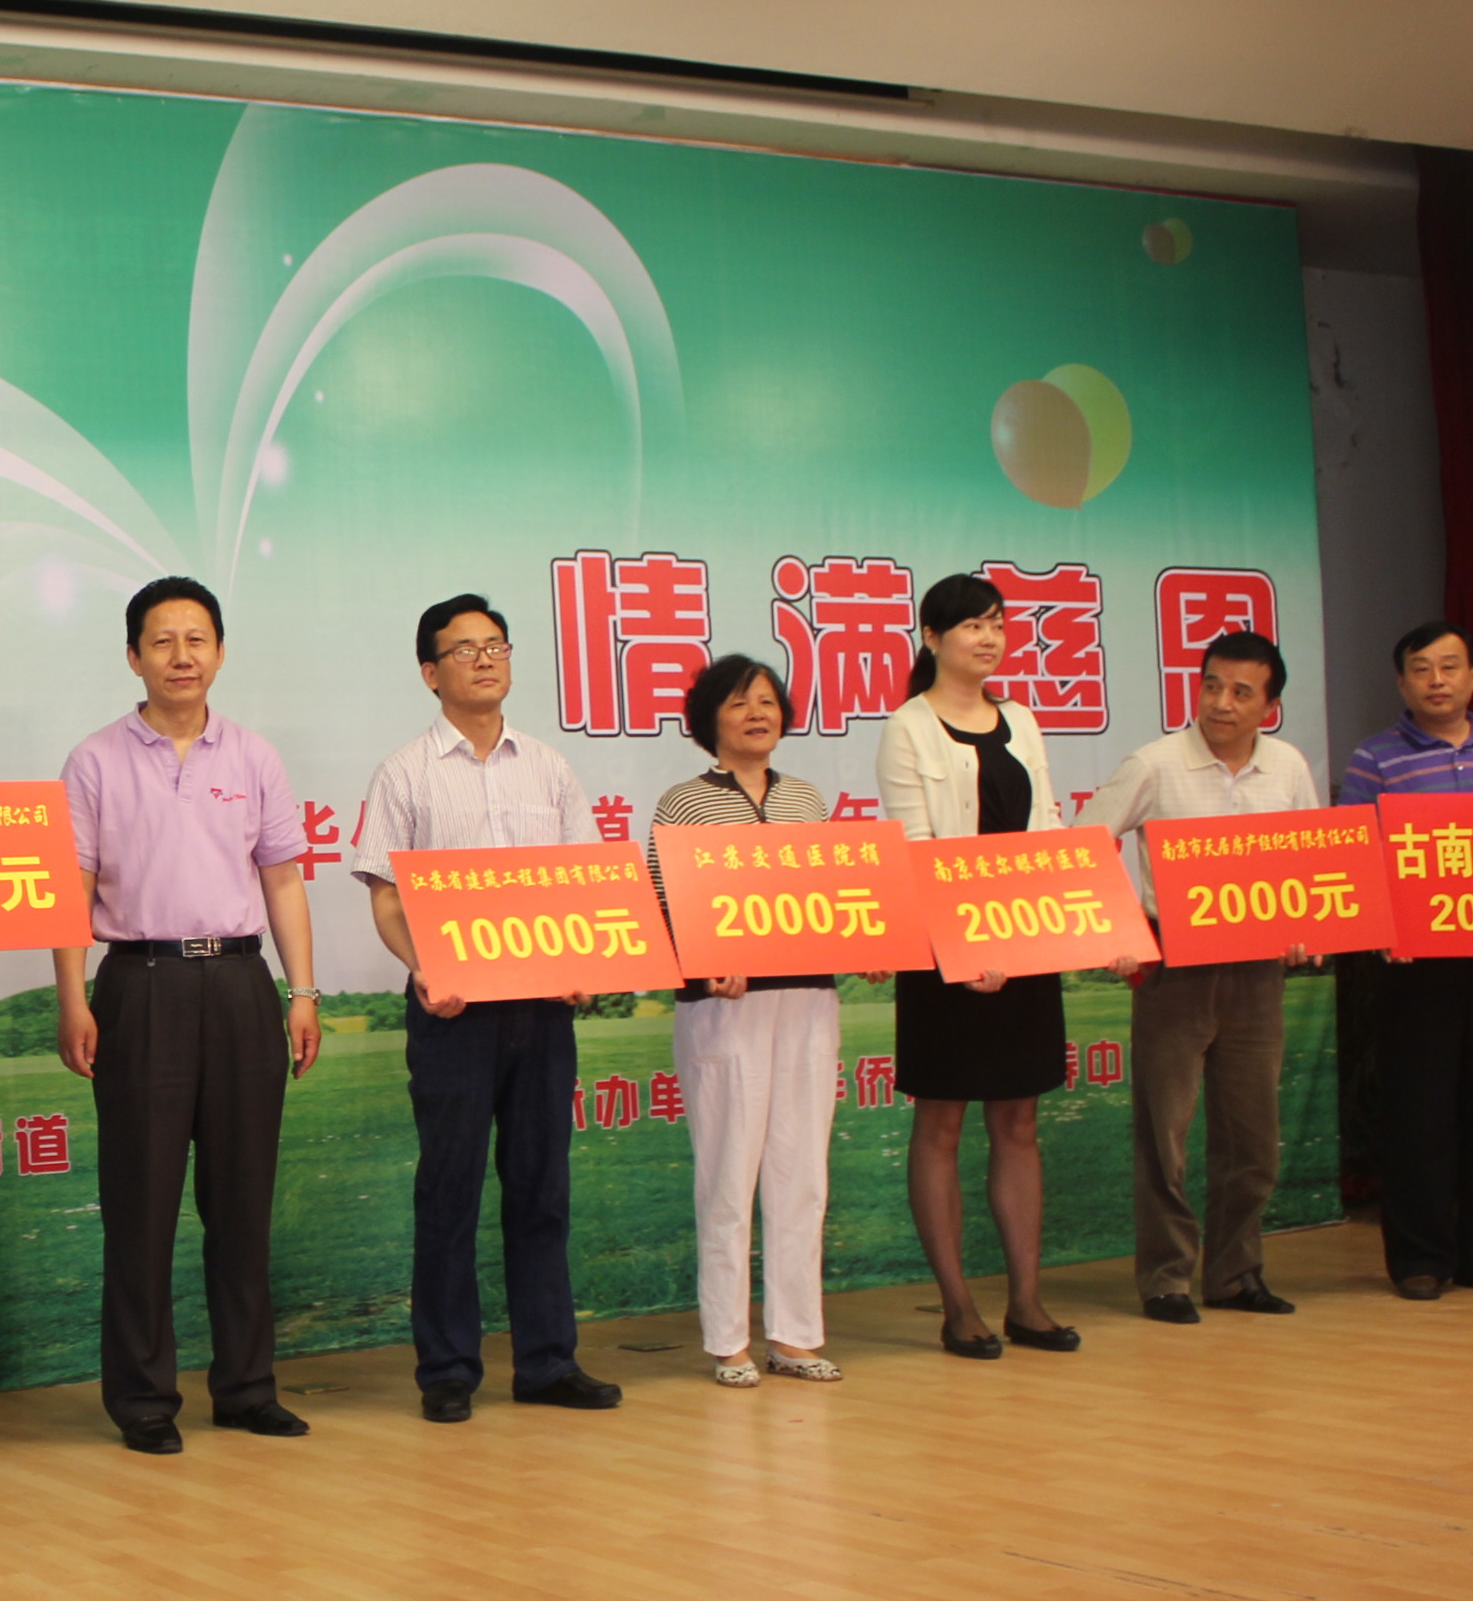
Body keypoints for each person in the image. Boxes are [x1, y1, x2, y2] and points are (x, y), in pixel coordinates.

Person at [54, 578, 324, 1455]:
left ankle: (246, 1388)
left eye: (197, 639)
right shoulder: (95, 760)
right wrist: (73, 997)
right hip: (140, 984)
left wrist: (302, 992)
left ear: (220, 652)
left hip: (241, 983)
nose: (181, 656)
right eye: (163, 641)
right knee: (141, 1205)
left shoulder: (253, 756)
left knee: (243, 1203)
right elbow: (72, 888)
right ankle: (142, 1400)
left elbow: (283, 878)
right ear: (134, 656)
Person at [351, 594, 625, 1422]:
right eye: (463, 649)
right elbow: (387, 898)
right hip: (454, 1011)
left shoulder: (548, 767)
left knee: (542, 1188)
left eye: (495, 645)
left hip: (541, 1010)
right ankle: (447, 1369)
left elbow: (583, 884)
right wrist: (423, 967)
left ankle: (547, 1362)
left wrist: (582, 965)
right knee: (450, 1189)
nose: (483, 659)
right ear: (429, 673)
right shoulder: (405, 772)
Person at [875, 570, 1078, 1361]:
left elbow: (1047, 828)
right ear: (932, 638)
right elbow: (915, 850)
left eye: (997, 623)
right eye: (971, 625)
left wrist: (1047, 935)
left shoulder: (1021, 719)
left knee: (1019, 1122)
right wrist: (967, 947)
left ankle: (1027, 1301)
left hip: (1022, 942)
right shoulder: (909, 727)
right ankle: (958, 1306)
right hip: (945, 956)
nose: (989, 637)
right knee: (943, 1120)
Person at [1087, 630, 1316, 1328]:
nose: (1222, 702)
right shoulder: (1155, 764)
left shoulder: (1287, 766)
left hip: (1258, 973)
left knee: (1252, 1137)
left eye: (1242, 692)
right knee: (1166, 1136)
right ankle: (1165, 1280)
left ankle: (1236, 1275)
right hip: (1175, 968)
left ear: (1269, 706)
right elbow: (1085, 844)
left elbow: (1310, 862)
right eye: (1212, 684)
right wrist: (1122, 933)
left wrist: (1306, 929)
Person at [1338, 620, 1473, 1302]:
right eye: (1422, 669)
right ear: (1402, 683)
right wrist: (1378, 925)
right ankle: (1420, 1260)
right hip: (1414, 964)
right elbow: (1350, 855)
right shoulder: (1375, 758)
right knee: (1418, 1113)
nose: (1437, 680)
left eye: (1450, 666)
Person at [651, 655, 844, 1390]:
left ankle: (795, 1336)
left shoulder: (806, 799)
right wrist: (706, 964)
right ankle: (727, 1341)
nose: (757, 713)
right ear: (709, 721)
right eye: (738, 703)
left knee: (802, 1174)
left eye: (767, 701)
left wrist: (867, 946)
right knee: (729, 1176)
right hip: (724, 1010)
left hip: (808, 1002)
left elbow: (833, 896)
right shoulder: (684, 804)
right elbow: (666, 904)